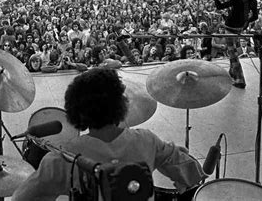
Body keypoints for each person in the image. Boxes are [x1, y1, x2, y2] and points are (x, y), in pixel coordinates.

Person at [12, 68, 204, 200]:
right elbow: (192, 172)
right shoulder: (147, 141)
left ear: (75, 109)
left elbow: (21, 198)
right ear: (121, 104)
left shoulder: (60, 160)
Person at [213, 0, 259, 89]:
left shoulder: (237, 0)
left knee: (232, 53)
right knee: (232, 50)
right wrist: (246, 21)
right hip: (239, 29)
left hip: (229, 29)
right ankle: (232, 73)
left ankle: (240, 79)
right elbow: (255, 16)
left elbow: (219, 6)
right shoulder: (253, 1)